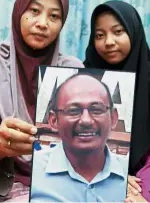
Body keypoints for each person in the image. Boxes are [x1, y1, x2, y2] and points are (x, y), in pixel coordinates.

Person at [0, 0, 84, 202]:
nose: (42, 23)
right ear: (19, 11)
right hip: (0, 185)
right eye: (34, 10)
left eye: (54, 16)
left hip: (63, 183)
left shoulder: (75, 71)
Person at [83, 0, 150, 202]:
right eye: (100, 35)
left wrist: (143, 191)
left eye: (118, 32)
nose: (108, 42)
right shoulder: (81, 81)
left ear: (134, 32)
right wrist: (110, 174)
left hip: (143, 183)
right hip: (90, 177)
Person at [30, 73, 128, 202]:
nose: (86, 121)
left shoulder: (135, 178)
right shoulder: (31, 170)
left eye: (96, 110)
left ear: (113, 118)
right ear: (54, 120)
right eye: (73, 111)